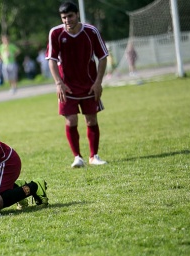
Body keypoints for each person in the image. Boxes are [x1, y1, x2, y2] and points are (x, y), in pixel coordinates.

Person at [47, 1, 108, 168]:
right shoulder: (56, 33)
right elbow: (51, 60)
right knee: (71, 121)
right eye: (64, 17)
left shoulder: (91, 31)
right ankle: (77, 157)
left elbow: (102, 57)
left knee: (91, 120)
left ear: (77, 15)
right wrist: (58, 83)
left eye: (70, 16)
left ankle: (93, 156)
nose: (67, 20)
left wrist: (98, 82)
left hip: (89, 84)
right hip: (67, 87)